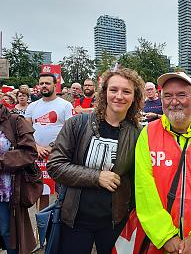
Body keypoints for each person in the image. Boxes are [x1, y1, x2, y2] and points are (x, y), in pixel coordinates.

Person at [47, 68, 145, 254]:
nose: (119, 96)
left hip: (115, 222)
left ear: (135, 97)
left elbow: (138, 179)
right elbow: (55, 165)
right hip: (75, 219)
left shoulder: (138, 134)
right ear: (104, 93)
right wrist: (96, 177)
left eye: (126, 91)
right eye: (113, 90)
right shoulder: (77, 124)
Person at [135, 71, 191, 253]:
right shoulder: (148, 134)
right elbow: (144, 190)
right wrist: (166, 236)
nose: (174, 101)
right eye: (167, 96)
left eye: (181, 95)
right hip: (160, 244)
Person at [25, 73, 73, 209]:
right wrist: (36, 147)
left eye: (47, 83)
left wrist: (54, 148)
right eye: (42, 83)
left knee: (61, 192)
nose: (44, 86)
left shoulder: (65, 105)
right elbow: (26, 132)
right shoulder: (32, 106)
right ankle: (41, 228)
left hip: (58, 155)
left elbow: (70, 132)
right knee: (41, 192)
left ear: (55, 85)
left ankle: (58, 227)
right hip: (37, 155)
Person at [0, 103, 38, 254]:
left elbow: (29, 152)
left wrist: (2, 161)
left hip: (5, 192)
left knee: (7, 232)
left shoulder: (15, 121)